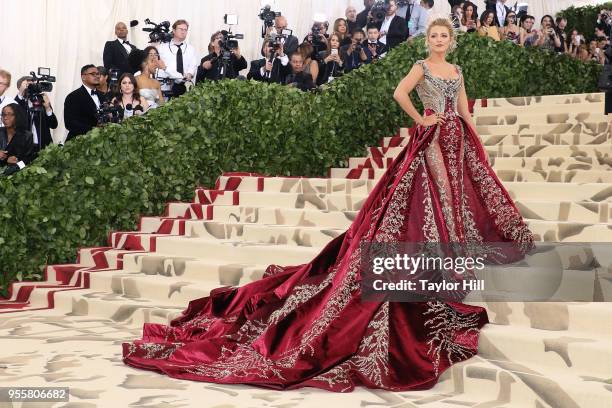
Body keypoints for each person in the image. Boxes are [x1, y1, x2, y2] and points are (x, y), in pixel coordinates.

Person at [123, 16, 534, 392]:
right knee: (426, 199)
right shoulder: (421, 68)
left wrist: (468, 136)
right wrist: (422, 118)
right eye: (434, 36)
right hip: (428, 140)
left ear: (452, 42)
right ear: (427, 40)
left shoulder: (457, 71)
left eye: (444, 37)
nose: (439, 41)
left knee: (454, 197)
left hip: (454, 139)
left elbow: (463, 108)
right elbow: (398, 93)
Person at [14, 76, 58, 150]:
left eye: (33, 85)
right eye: (29, 86)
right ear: (20, 88)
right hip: (26, 148)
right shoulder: (19, 103)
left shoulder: (42, 100)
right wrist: (21, 92)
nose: (32, 88)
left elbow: (53, 125)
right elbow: (14, 111)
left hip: (44, 147)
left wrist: (48, 108)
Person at [157, 20, 198, 97]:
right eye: (181, 29)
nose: (183, 32)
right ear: (174, 30)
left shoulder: (191, 49)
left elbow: (193, 65)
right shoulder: (162, 48)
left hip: (185, 86)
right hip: (166, 87)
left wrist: (189, 74)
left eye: (185, 30)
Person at [63, 65, 101, 141]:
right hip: (80, 142)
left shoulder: (103, 95)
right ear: (83, 77)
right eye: (93, 74)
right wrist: (94, 130)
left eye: (98, 74)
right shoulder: (73, 97)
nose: (96, 76)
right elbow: (69, 123)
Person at [0, 103, 35, 175]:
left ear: (17, 116)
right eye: (4, 115)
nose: (5, 118)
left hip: (17, 175)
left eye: (10, 114)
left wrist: (17, 162)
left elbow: (28, 160)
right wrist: (5, 160)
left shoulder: (27, 136)